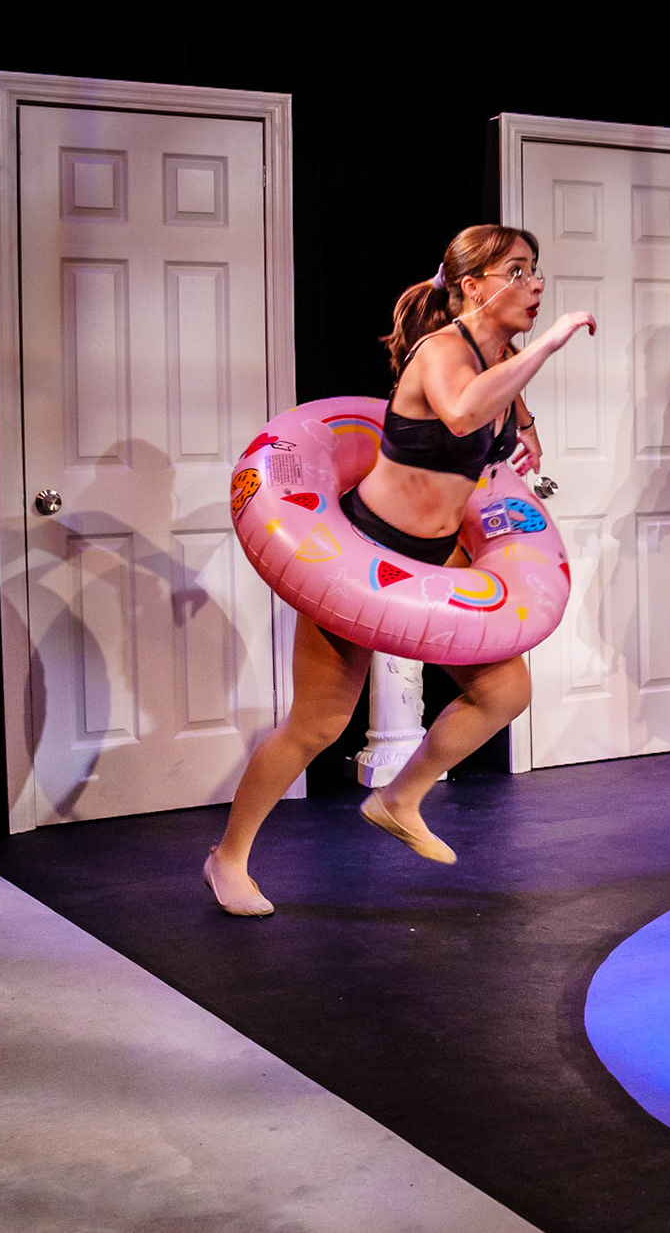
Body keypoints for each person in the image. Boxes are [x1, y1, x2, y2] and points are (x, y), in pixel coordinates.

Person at [203, 225, 596, 916]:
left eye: (536, 270)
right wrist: (554, 342)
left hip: (439, 555)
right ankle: (227, 858)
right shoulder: (440, 351)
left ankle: (399, 798)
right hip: (361, 547)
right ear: (472, 286)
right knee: (318, 725)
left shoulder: (500, 355)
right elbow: (463, 410)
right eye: (517, 271)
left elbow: (502, 407)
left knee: (504, 693)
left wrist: (527, 427)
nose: (534, 285)